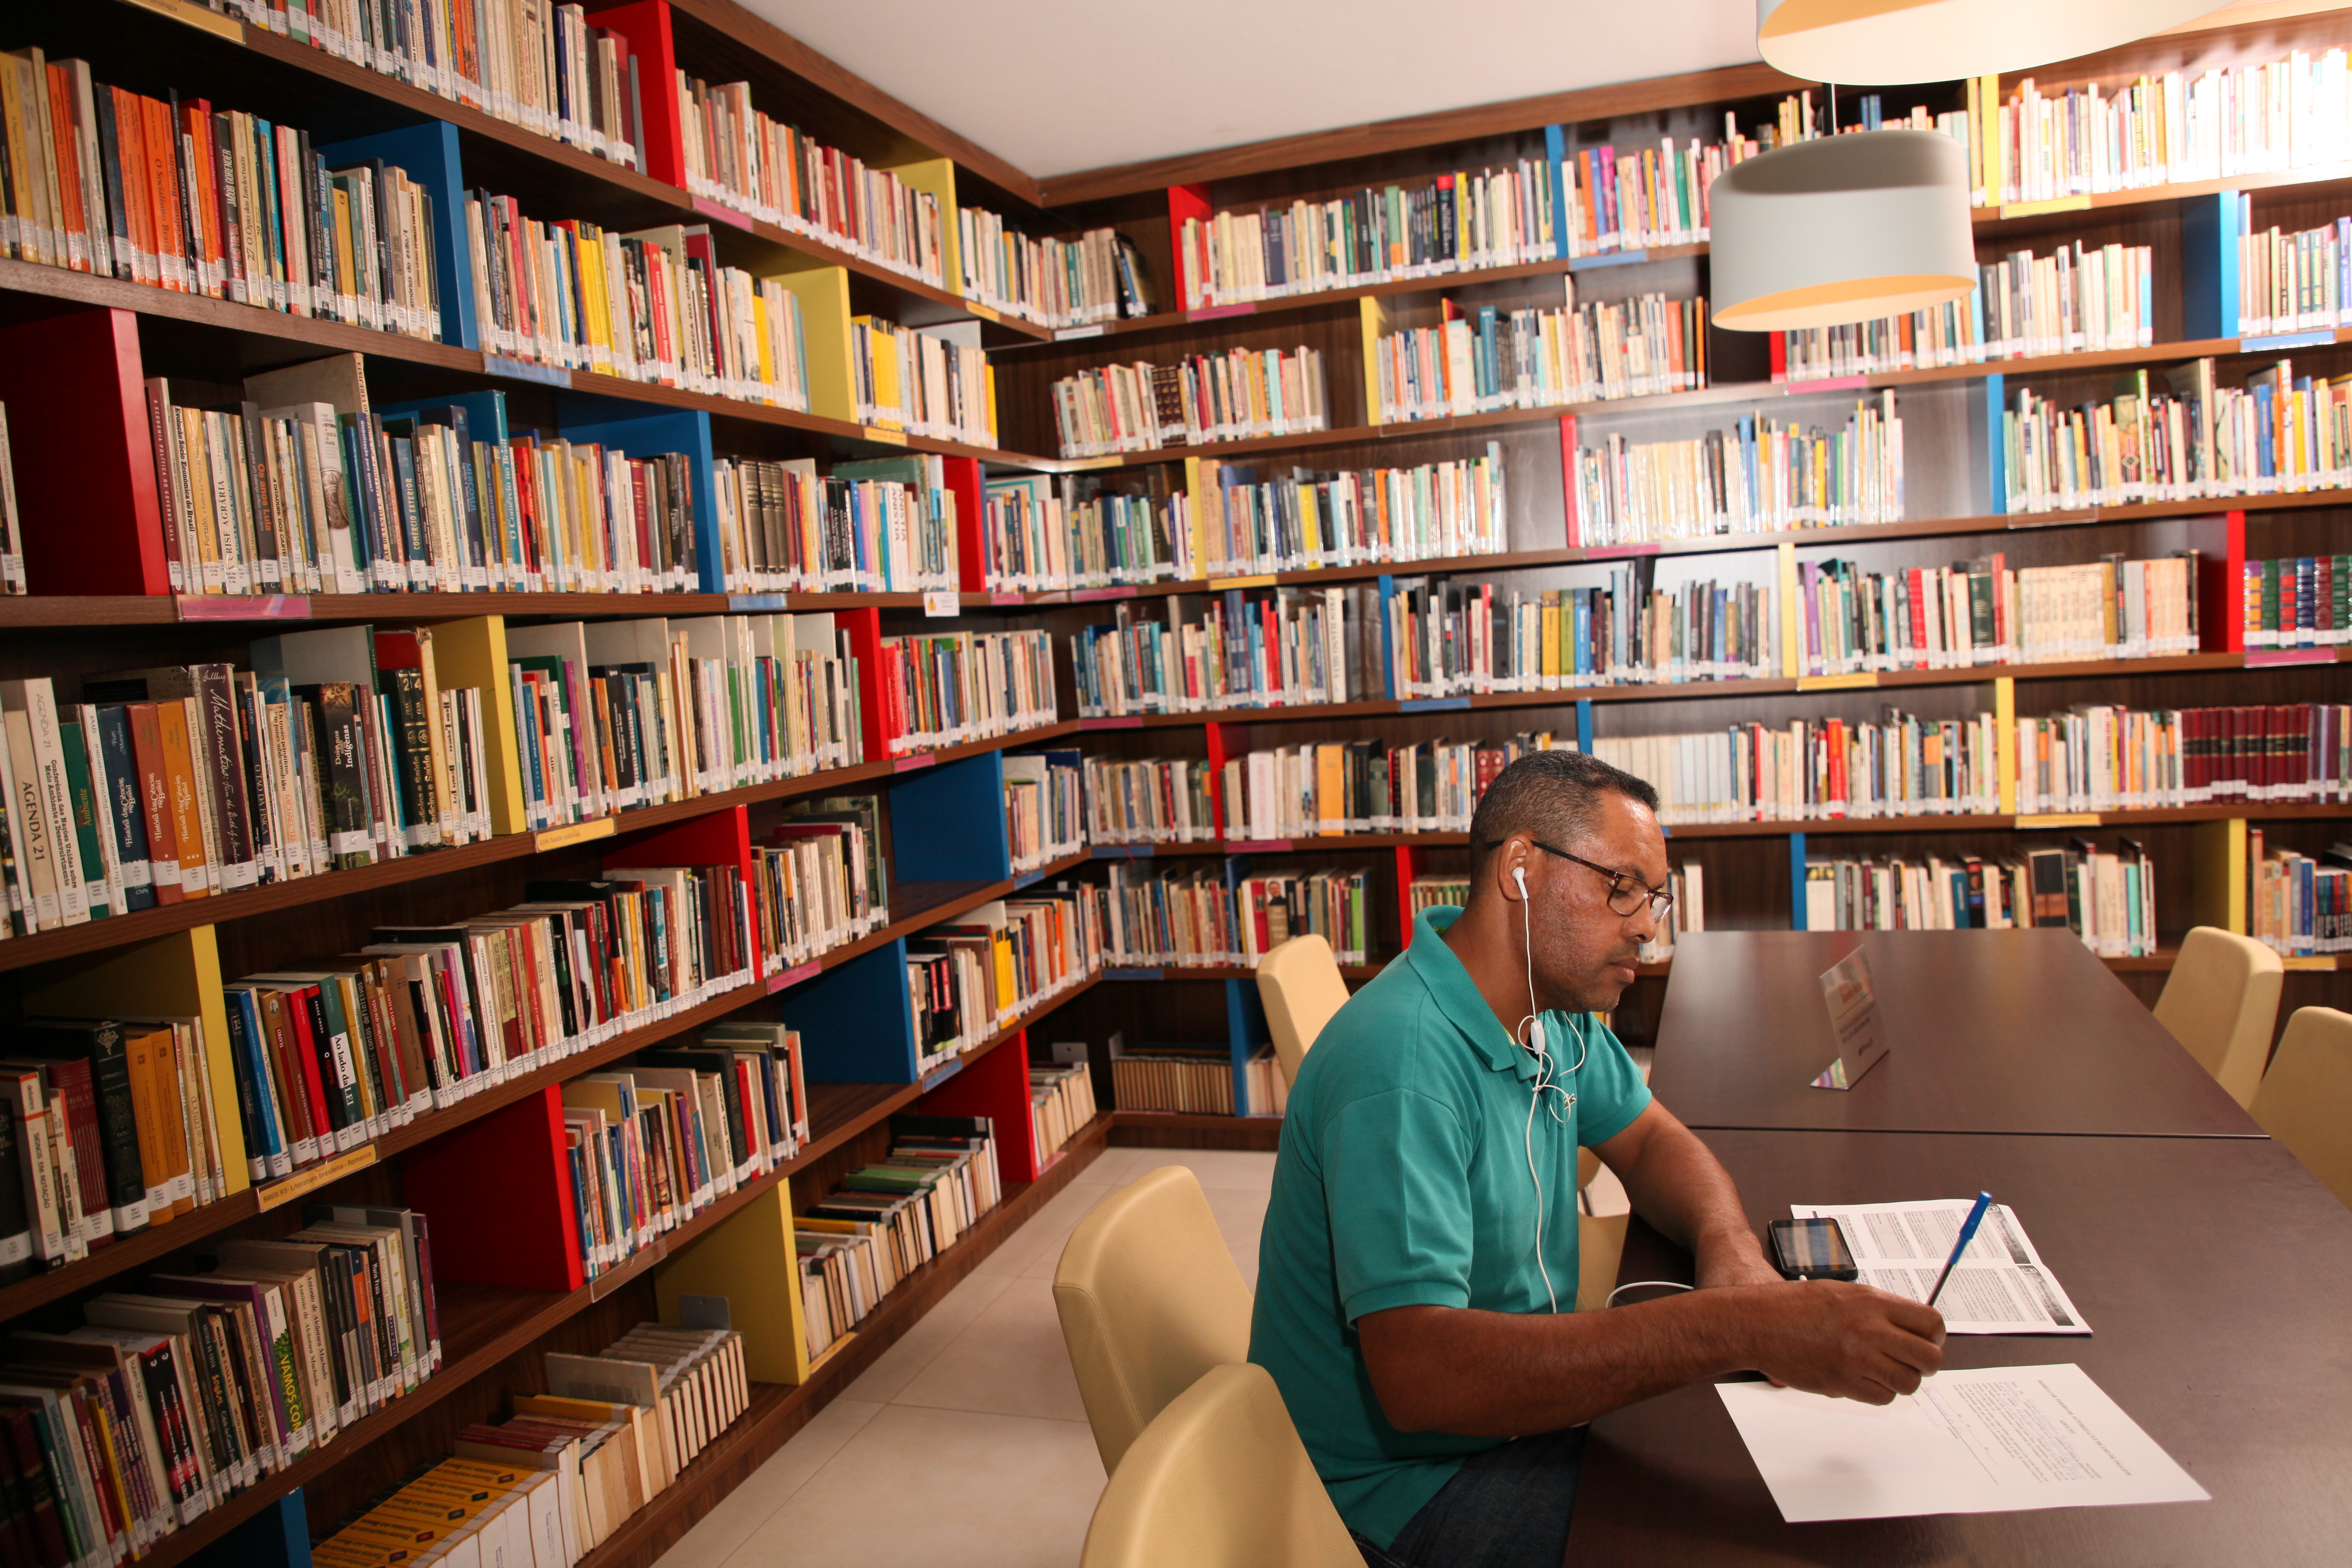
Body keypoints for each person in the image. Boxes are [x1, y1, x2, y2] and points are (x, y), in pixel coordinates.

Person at [1248, 750, 1946, 1568]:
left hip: (1507, 1424)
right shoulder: (1402, 1069)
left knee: (1798, 1491)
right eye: (1622, 888)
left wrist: (1729, 1250)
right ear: (1521, 870)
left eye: (1654, 897)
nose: (1648, 925)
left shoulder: (1551, 1003)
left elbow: (1651, 1141)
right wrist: (1741, 1327)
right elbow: (1424, 1381)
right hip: (1405, 1493)